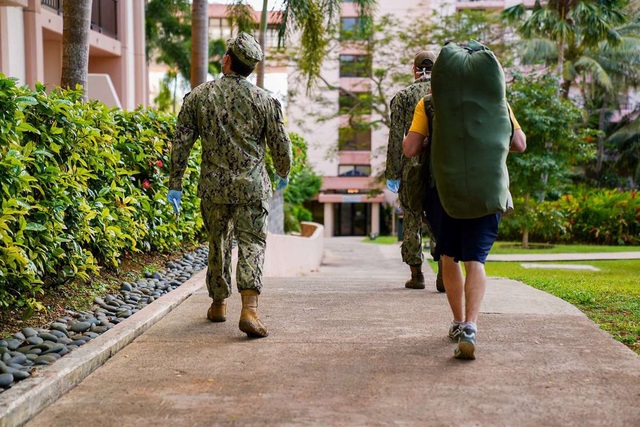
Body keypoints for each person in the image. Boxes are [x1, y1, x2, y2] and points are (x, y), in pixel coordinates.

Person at [402, 44, 526, 360]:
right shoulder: (499, 104)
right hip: (489, 191)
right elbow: (520, 144)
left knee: (448, 256)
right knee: (476, 260)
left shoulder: (428, 105)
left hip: (443, 192)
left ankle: (458, 322)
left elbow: (410, 149)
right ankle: (471, 325)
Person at [168, 32, 292, 338]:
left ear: (227, 60)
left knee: (218, 243)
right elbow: (281, 145)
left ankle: (218, 304)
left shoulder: (199, 96)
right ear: (249, 67)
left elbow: (181, 143)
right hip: (252, 188)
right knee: (251, 244)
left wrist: (176, 183)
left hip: (213, 188)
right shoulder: (265, 101)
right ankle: (249, 309)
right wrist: (283, 171)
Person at [385, 50, 443, 291]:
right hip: (440, 166)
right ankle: (443, 274)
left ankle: (416, 275)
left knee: (411, 219)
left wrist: (392, 173)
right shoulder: (445, 94)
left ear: (414, 69)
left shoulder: (403, 96)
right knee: (439, 218)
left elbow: (396, 137)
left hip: (412, 168)